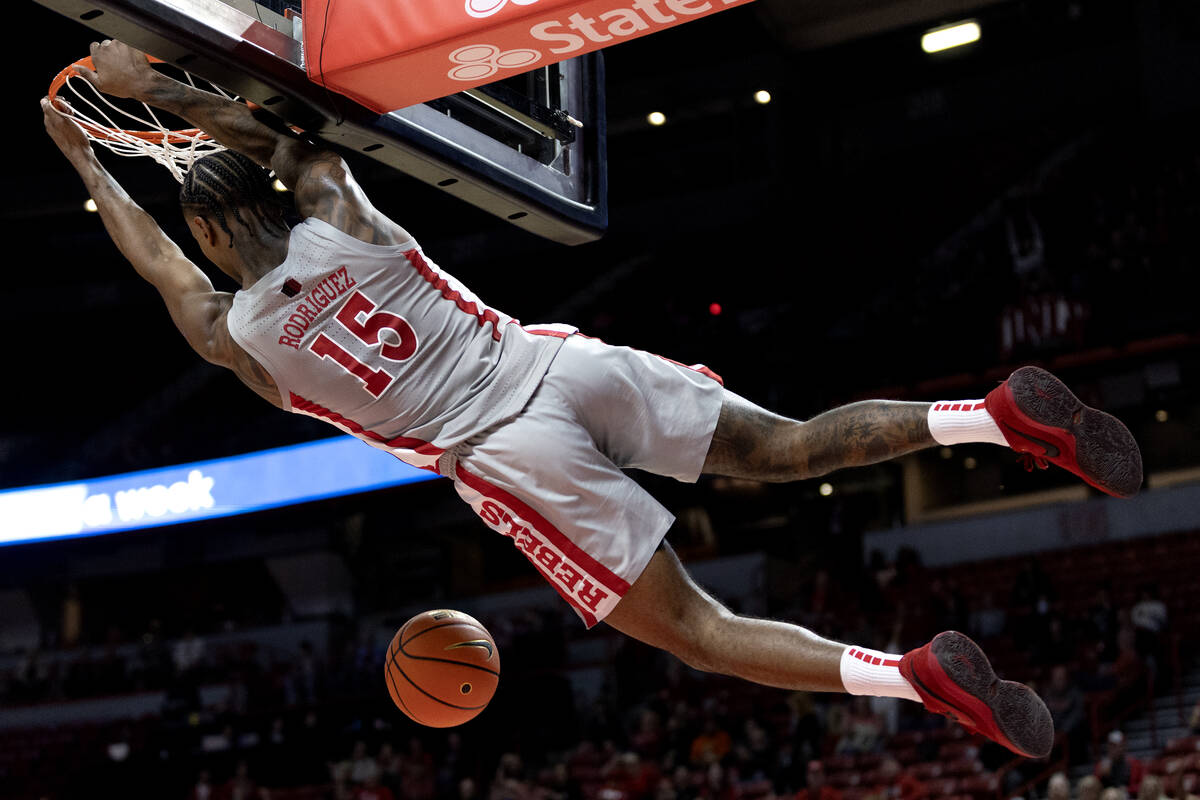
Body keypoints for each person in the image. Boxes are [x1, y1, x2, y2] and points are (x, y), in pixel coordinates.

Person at [42, 39, 1146, 762]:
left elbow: (159, 269)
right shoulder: (341, 216)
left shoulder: (238, 337)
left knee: (701, 634)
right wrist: (160, 94)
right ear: (275, 199)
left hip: (503, 452)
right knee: (792, 442)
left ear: (206, 236)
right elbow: (286, 139)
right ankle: (993, 416)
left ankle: (905, 674)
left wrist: (90, 161)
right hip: (556, 363)